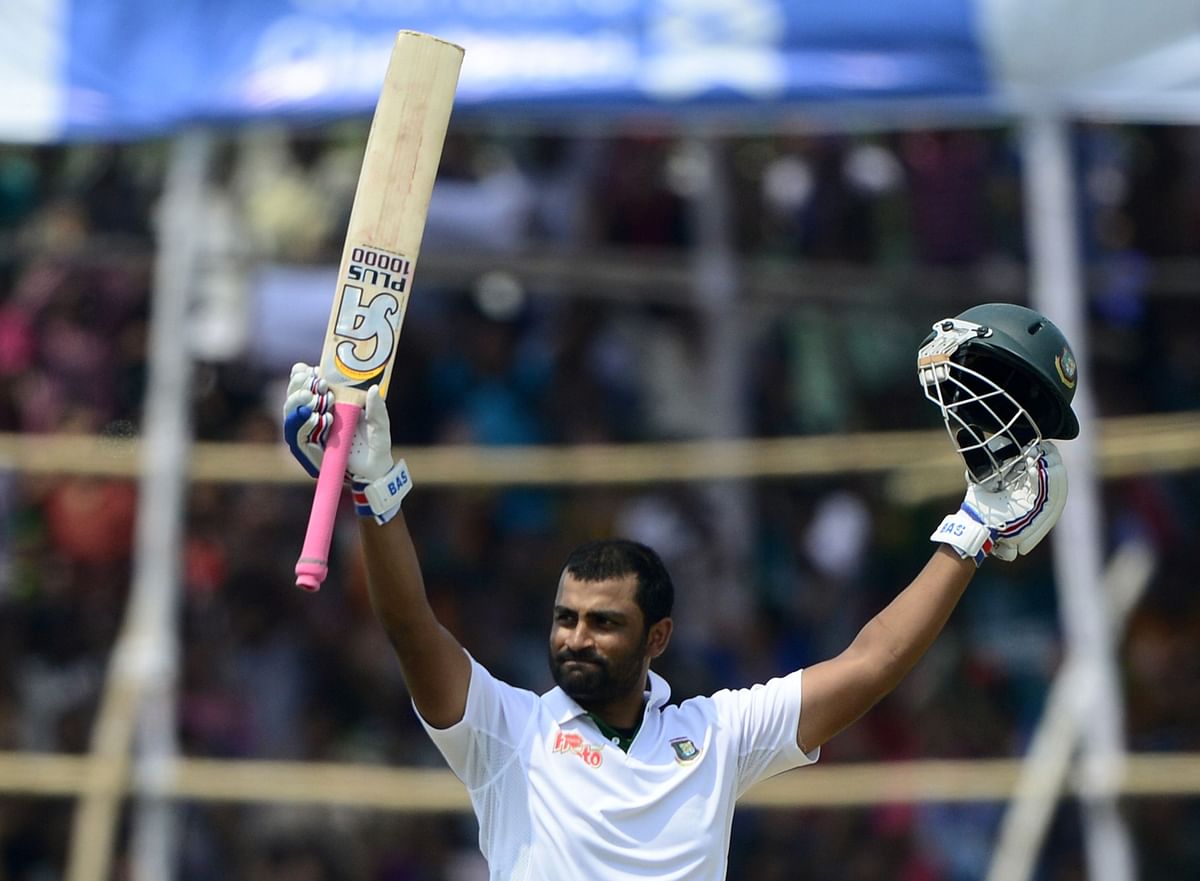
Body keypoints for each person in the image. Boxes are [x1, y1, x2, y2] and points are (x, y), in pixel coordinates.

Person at [281, 303, 1075, 881]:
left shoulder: (716, 736)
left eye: (602, 622)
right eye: (565, 620)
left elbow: (868, 665)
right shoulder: (507, 734)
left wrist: (971, 531)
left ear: (657, 637)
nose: (575, 638)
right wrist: (375, 488)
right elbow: (411, 627)